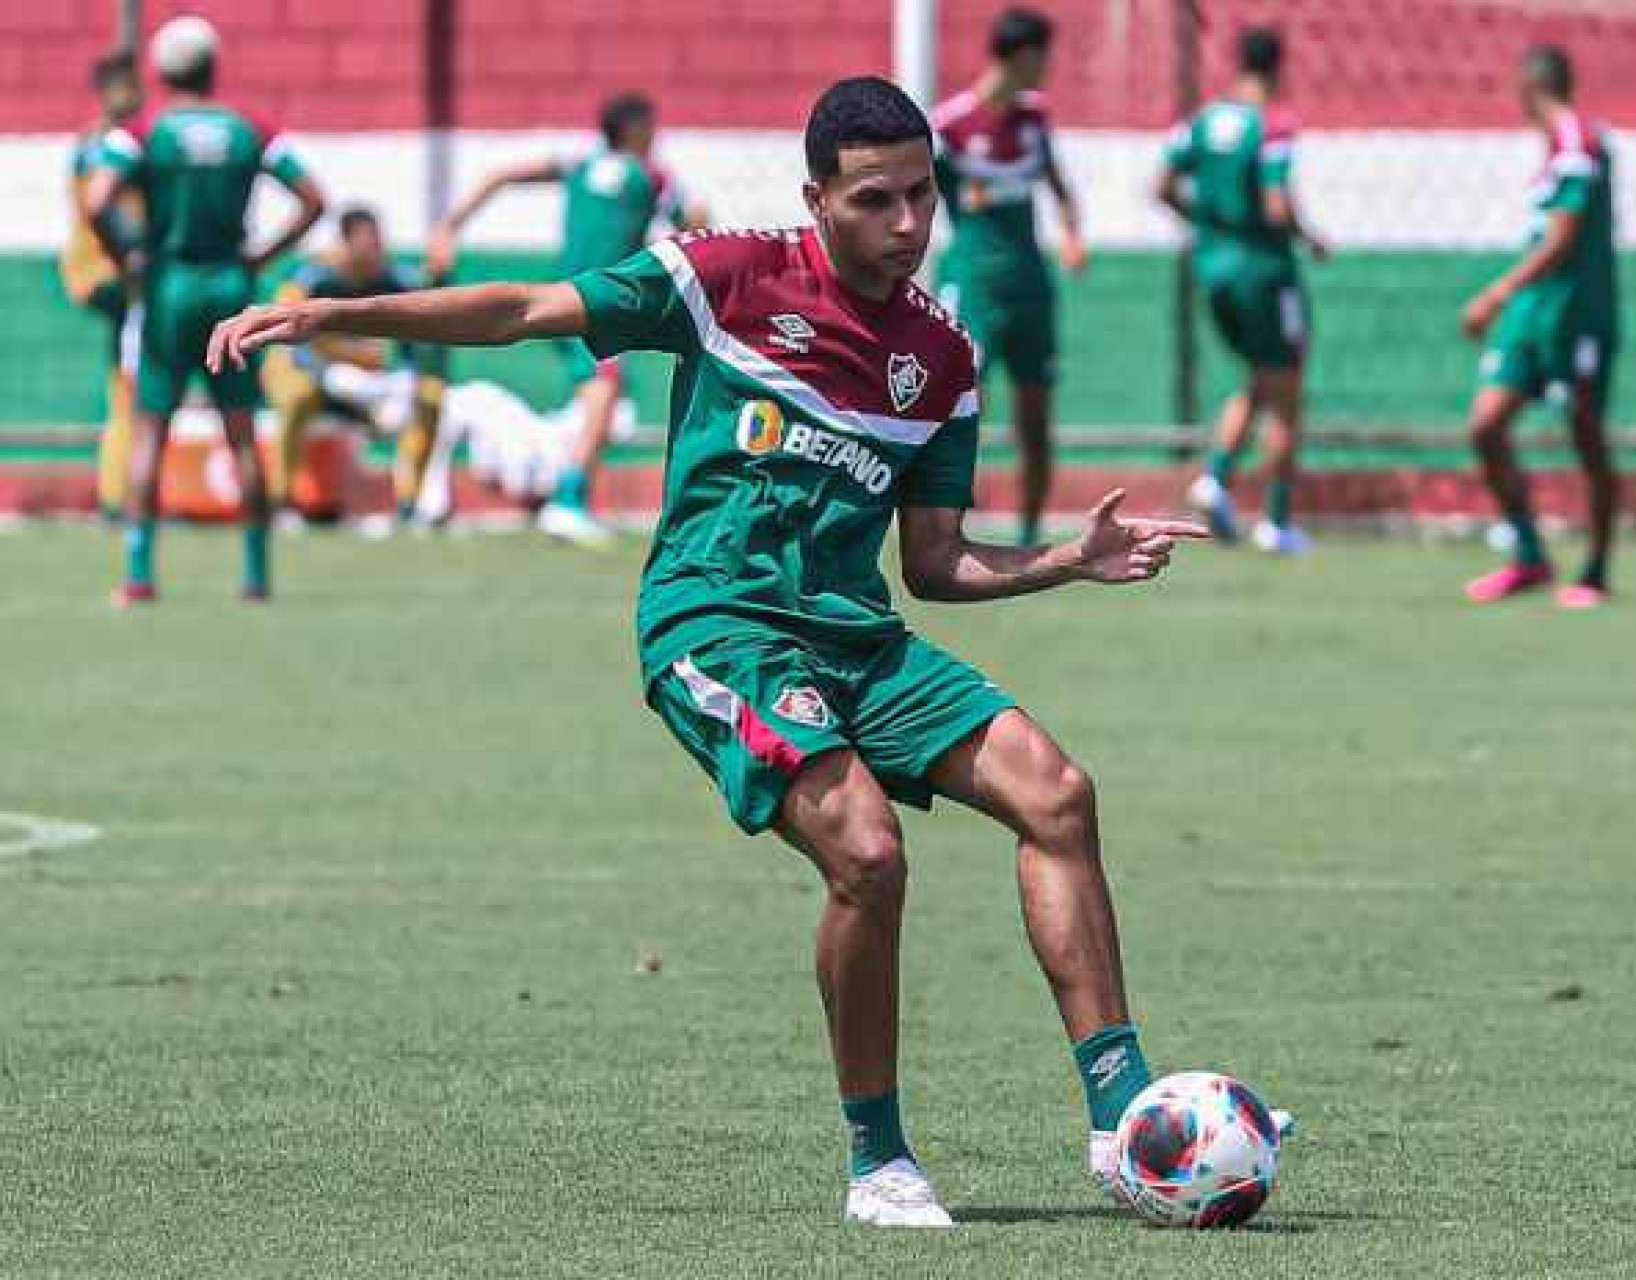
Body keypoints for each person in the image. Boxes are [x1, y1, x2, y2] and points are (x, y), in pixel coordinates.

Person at [209, 76, 1219, 1228]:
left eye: (923, 195)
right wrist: (333, 314)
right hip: (715, 623)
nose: (907, 224)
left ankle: (1126, 1121)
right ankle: (880, 1160)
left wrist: (1067, 559)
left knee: (1057, 793)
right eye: (875, 200)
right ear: (817, 198)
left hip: (856, 636)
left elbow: (936, 562)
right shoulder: (726, 277)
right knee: (868, 850)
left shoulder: (941, 357)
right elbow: (523, 309)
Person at [86, 15, 326, 604]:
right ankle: (256, 577)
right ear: (214, 68)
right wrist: (259, 257)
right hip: (230, 286)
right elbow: (313, 200)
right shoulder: (251, 129)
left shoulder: (144, 131)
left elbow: (97, 201)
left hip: (168, 287)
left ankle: (139, 574)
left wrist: (127, 257)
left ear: (161, 72)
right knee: (241, 431)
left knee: (151, 429)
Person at [428, 93, 705, 546]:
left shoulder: (578, 164)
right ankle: (568, 501)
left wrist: (449, 225)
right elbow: (694, 226)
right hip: (603, 303)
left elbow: (500, 175)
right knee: (604, 389)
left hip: (561, 295)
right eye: (651, 127)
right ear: (636, 130)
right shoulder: (653, 177)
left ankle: (569, 494)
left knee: (604, 396)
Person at [1459, 44, 1619, 608]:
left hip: (1574, 315)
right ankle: (1529, 556)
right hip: (1531, 316)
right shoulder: (1554, 147)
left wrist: (1494, 295)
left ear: (1529, 90)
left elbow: (1560, 240)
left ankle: (1595, 571)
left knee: (1586, 438)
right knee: (1485, 427)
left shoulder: (1578, 142)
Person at [1158, 26, 1328, 555]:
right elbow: (1276, 205)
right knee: (1287, 391)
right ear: (1277, 68)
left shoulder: (1202, 122)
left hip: (1213, 270)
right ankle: (1276, 522)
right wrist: (1310, 238)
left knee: (1262, 376)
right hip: (1265, 272)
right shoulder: (1272, 124)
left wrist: (1208, 227)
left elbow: (1162, 186)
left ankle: (1215, 479)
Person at [932, 7, 1086, 547]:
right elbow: (913, 195)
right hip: (972, 282)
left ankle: (1028, 536)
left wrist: (1072, 233)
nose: (1049, 67)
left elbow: (1060, 188)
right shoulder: (949, 126)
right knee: (960, 407)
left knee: (1036, 416)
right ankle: (945, 529)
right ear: (1022, 56)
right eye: (1044, 56)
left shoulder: (1034, 119)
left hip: (1029, 285)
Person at [263, 206, 446, 525]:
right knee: (296, 394)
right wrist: (343, 360)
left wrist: (406, 377)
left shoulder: (397, 280)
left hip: (367, 383)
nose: (376, 250)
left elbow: (418, 339)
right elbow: (289, 337)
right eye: (368, 242)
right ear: (344, 243)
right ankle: (281, 500)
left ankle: (410, 502)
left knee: (430, 395)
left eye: (378, 242)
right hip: (312, 373)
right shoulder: (311, 278)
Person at [61, 48, 144, 522]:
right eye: (125, 86)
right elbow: (106, 212)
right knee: (131, 388)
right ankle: (120, 499)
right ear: (107, 92)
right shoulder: (106, 146)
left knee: (127, 383)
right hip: (109, 273)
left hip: (109, 274)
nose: (134, 95)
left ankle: (121, 494)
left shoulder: (101, 141)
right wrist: (134, 260)